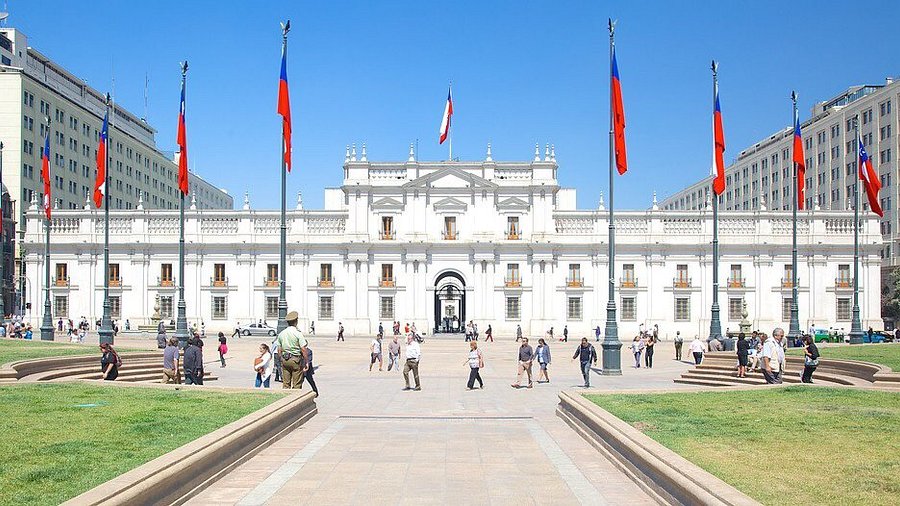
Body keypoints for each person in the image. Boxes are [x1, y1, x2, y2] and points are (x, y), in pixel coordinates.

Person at [277, 311, 310, 389]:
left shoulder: (282, 333)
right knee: (297, 384)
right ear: (296, 321)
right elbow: (303, 349)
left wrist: (281, 358)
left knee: (286, 384)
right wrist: (306, 362)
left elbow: (279, 349)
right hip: (295, 360)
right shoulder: (298, 333)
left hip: (285, 359)